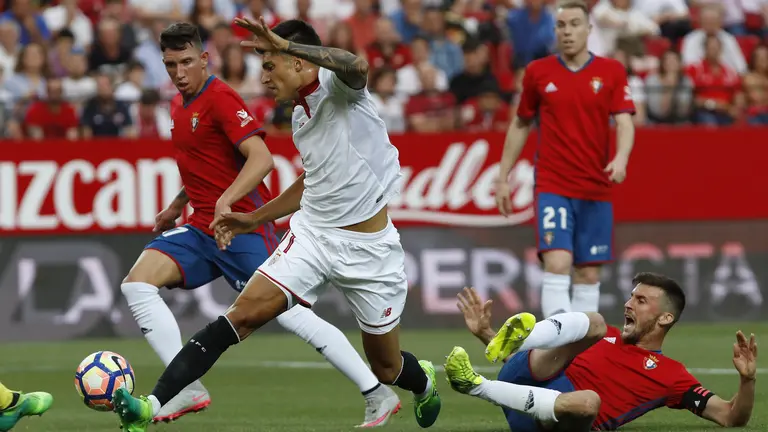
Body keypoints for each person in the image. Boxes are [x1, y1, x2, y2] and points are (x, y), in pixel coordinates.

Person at [112, 18, 441, 431]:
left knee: (387, 366)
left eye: (270, 66)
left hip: (370, 251)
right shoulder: (300, 119)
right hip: (313, 237)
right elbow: (310, 183)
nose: (263, 77)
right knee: (241, 317)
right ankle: (153, 403)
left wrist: (285, 43)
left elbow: (355, 64)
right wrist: (253, 218)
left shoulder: (340, 92)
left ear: (299, 64)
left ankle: (422, 383)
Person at [444, 273, 758, 431]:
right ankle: (511, 340)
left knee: (588, 400)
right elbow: (536, 370)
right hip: (524, 384)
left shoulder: (672, 376)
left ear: (665, 318)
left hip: (555, 420)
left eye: (641, 301)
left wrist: (747, 381)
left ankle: (476, 385)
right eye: (631, 297)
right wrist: (486, 335)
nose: (628, 304)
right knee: (593, 322)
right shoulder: (602, 334)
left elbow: (732, 416)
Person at [494, 1, 636, 318]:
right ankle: (556, 344)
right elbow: (520, 123)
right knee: (558, 262)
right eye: (561, 25)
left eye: (574, 24)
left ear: (589, 29)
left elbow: (625, 121)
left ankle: (580, 353)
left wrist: (621, 158)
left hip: (595, 188)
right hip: (553, 184)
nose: (568, 31)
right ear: (554, 30)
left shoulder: (611, 71)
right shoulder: (538, 72)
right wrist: (502, 178)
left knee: (588, 274)